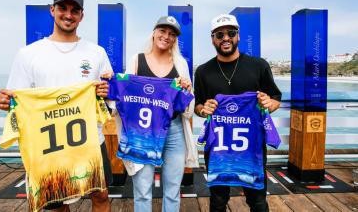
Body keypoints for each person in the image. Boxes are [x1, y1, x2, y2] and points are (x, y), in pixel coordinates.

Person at [0, 0, 112, 212]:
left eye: (75, 10)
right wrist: (5, 103)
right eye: (63, 8)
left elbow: (109, 99)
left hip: (91, 141)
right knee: (56, 203)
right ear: (52, 10)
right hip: (49, 145)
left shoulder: (97, 53)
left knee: (101, 195)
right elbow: (15, 101)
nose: (68, 14)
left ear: (82, 15)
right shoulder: (28, 54)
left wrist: (108, 92)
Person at [194, 14, 281, 212]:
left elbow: (276, 99)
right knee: (217, 201)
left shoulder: (259, 66)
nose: (225, 38)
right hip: (218, 149)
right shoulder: (203, 71)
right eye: (219, 34)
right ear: (212, 39)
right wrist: (202, 109)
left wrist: (269, 103)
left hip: (252, 148)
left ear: (238, 36)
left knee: (257, 200)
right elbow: (198, 105)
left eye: (231, 33)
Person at [119, 16, 198, 211]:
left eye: (172, 34)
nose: (166, 36)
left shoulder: (180, 63)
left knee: (172, 191)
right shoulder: (136, 59)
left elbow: (188, 109)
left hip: (174, 131)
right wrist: (111, 81)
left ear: (175, 39)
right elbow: (124, 93)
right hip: (142, 132)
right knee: (143, 190)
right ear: (154, 32)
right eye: (162, 31)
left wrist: (187, 92)